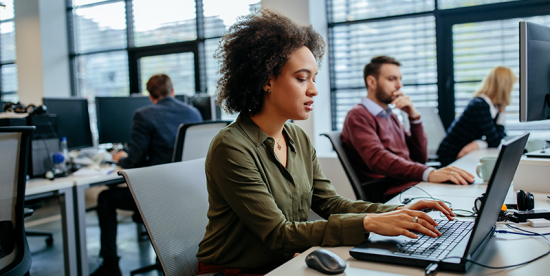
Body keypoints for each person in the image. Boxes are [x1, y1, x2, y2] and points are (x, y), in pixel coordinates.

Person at [196, 10, 455, 276]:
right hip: (233, 270)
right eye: (301, 78)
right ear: (266, 80)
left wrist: (396, 211)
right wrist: (370, 223)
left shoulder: (297, 137)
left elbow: (331, 203)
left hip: (284, 262)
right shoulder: (231, 147)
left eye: (314, 79)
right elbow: (278, 233)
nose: (314, 90)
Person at [91, 74, 202, 276]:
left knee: (105, 198)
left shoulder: (144, 114)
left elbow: (135, 162)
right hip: (190, 193)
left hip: (158, 196)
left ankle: (110, 265)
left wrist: (120, 157)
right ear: (173, 91)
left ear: (150, 96)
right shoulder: (194, 113)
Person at [340, 56, 474, 201]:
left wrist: (414, 118)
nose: (399, 85)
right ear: (372, 82)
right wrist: (427, 173)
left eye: (399, 79)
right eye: (392, 79)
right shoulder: (358, 115)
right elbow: (377, 158)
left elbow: (419, 158)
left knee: (464, 188)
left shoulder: (390, 116)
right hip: (392, 191)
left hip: (409, 184)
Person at [437, 66, 518, 166]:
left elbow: (500, 137)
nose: (512, 90)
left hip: (466, 152)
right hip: (452, 154)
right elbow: (494, 141)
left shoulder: (493, 106)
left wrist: (501, 111)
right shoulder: (480, 104)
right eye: (511, 86)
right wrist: (479, 143)